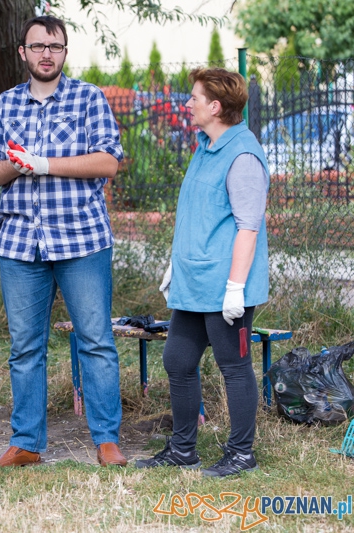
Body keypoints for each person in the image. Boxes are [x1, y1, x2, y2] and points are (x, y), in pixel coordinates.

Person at [0, 15, 127, 468]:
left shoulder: (89, 98)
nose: (47, 54)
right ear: (22, 52)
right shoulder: (6, 105)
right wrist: (16, 165)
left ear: (64, 53)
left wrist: (45, 163)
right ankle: (26, 443)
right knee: (25, 347)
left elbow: (107, 163)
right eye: (38, 46)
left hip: (82, 240)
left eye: (55, 47)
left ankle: (107, 441)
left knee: (95, 341)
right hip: (21, 243)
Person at [136, 68, 270, 477]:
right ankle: (182, 449)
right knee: (177, 360)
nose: (187, 103)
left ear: (215, 106)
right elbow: (199, 214)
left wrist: (235, 288)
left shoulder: (243, 155)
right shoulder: (205, 147)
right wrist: (176, 262)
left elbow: (248, 226)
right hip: (194, 282)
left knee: (234, 366)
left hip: (225, 286)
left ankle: (241, 453)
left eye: (194, 97)